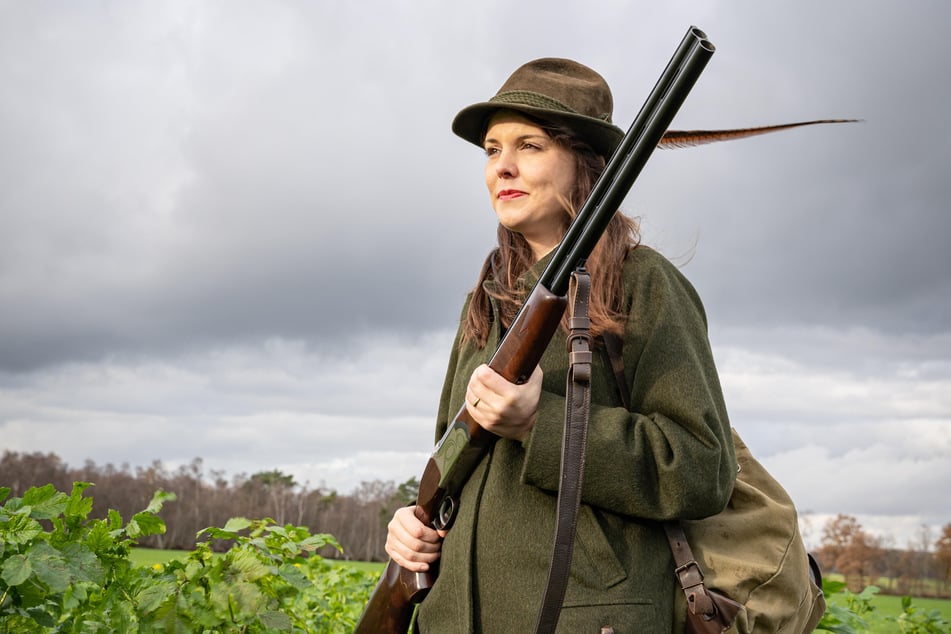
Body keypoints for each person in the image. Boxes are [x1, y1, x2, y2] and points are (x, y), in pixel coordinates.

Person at [385, 57, 737, 633]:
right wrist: (413, 521)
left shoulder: (644, 283)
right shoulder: (486, 299)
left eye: (530, 145)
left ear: (583, 162)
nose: (504, 167)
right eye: (492, 150)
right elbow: (453, 459)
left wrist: (539, 425)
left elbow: (701, 467)